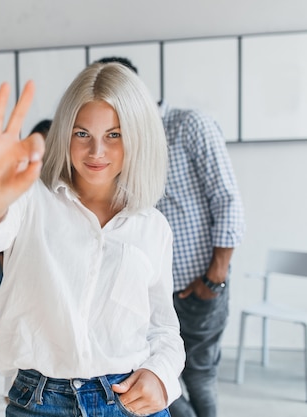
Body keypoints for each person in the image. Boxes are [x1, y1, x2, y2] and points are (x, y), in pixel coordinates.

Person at [0, 61, 185, 416]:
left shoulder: (152, 227)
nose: (96, 152)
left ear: (138, 136)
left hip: (128, 401)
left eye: (114, 134)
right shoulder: (29, 199)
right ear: (64, 133)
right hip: (40, 401)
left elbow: (163, 329)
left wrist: (161, 376)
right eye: (82, 134)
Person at [96, 56, 246, 417]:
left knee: (199, 377)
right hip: (143, 293)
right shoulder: (117, 142)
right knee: (156, 380)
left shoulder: (189, 125)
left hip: (197, 285)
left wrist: (214, 278)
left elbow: (227, 200)